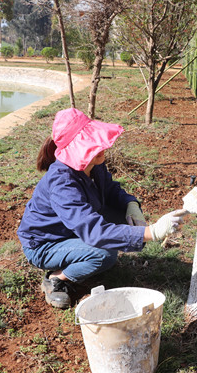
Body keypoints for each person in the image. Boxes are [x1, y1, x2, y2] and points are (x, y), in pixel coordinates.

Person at [17, 108, 185, 309]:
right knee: (104, 253)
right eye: (90, 143)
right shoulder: (62, 182)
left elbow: (111, 190)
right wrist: (152, 232)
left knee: (125, 220)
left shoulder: (92, 165)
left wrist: (130, 204)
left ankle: (79, 256)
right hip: (45, 244)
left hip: (69, 229)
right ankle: (56, 278)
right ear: (75, 148)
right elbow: (94, 231)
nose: (100, 147)